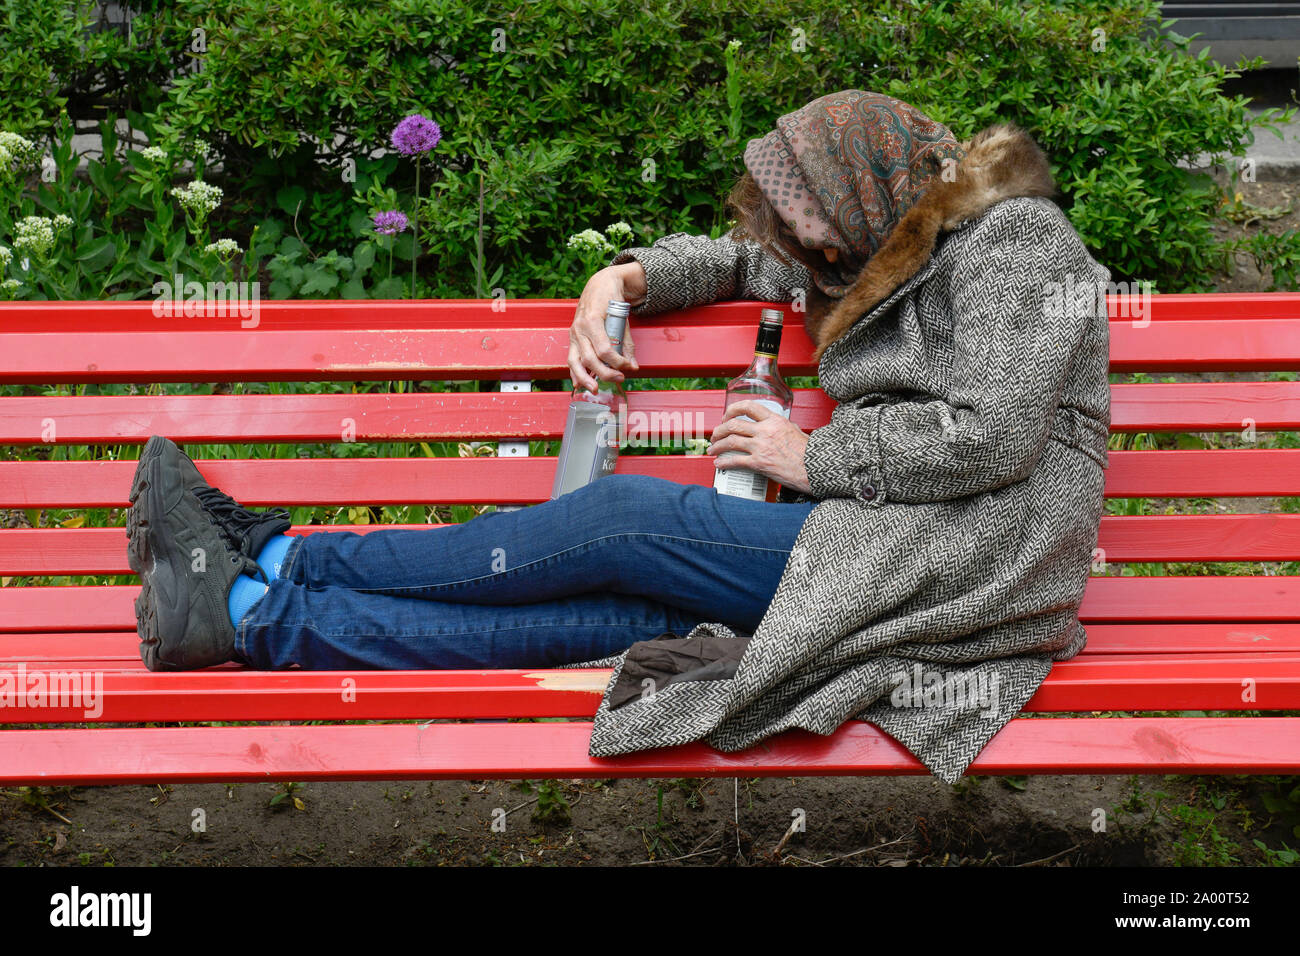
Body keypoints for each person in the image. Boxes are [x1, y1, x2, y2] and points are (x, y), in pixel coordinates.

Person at [127, 82, 1111, 772]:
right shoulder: (873, 242)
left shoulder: (1017, 239)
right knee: (619, 624)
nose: (794, 246)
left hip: (965, 559)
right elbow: (735, 262)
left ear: (862, 185)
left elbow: (995, 431)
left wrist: (811, 453)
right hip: (892, 546)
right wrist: (623, 276)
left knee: (619, 519)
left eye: (804, 217)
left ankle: (283, 554)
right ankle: (259, 615)